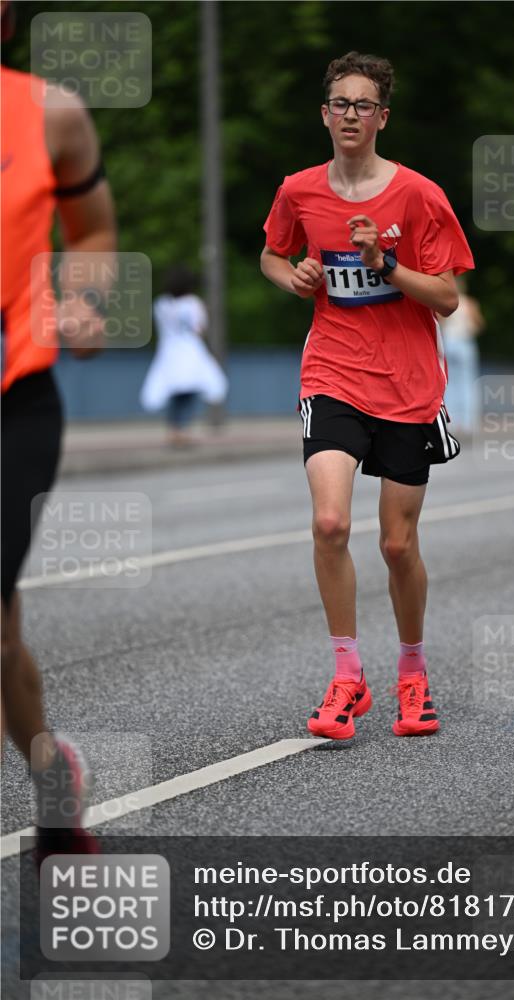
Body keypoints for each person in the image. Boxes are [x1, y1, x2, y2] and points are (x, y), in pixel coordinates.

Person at [260, 51, 474, 739]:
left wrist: (386, 264)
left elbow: (445, 296)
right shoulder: (298, 191)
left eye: (363, 105)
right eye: (339, 104)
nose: (350, 115)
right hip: (332, 371)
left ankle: (411, 673)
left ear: (383, 117)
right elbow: (271, 252)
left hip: (407, 385)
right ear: (325, 115)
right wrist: (288, 276)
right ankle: (347, 678)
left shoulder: (417, 196)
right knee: (328, 523)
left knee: (394, 544)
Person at [1, 0, 116, 857]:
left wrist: (82, 296)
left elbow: (95, 230)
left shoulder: (52, 114)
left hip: (16, 399)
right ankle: (50, 777)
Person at [140, 265, 228, 447]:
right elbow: (199, 329)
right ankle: (182, 429)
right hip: (190, 351)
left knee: (174, 391)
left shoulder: (160, 304)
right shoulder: (193, 303)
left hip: (169, 351)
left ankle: (173, 428)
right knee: (190, 390)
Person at [436, 275, 485, 435]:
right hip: (464, 342)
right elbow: (479, 324)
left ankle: (451, 421)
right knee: (467, 383)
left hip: (448, 342)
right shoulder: (469, 304)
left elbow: (439, 322)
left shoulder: (446, 302)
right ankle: (468, 422)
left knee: (448, 383)